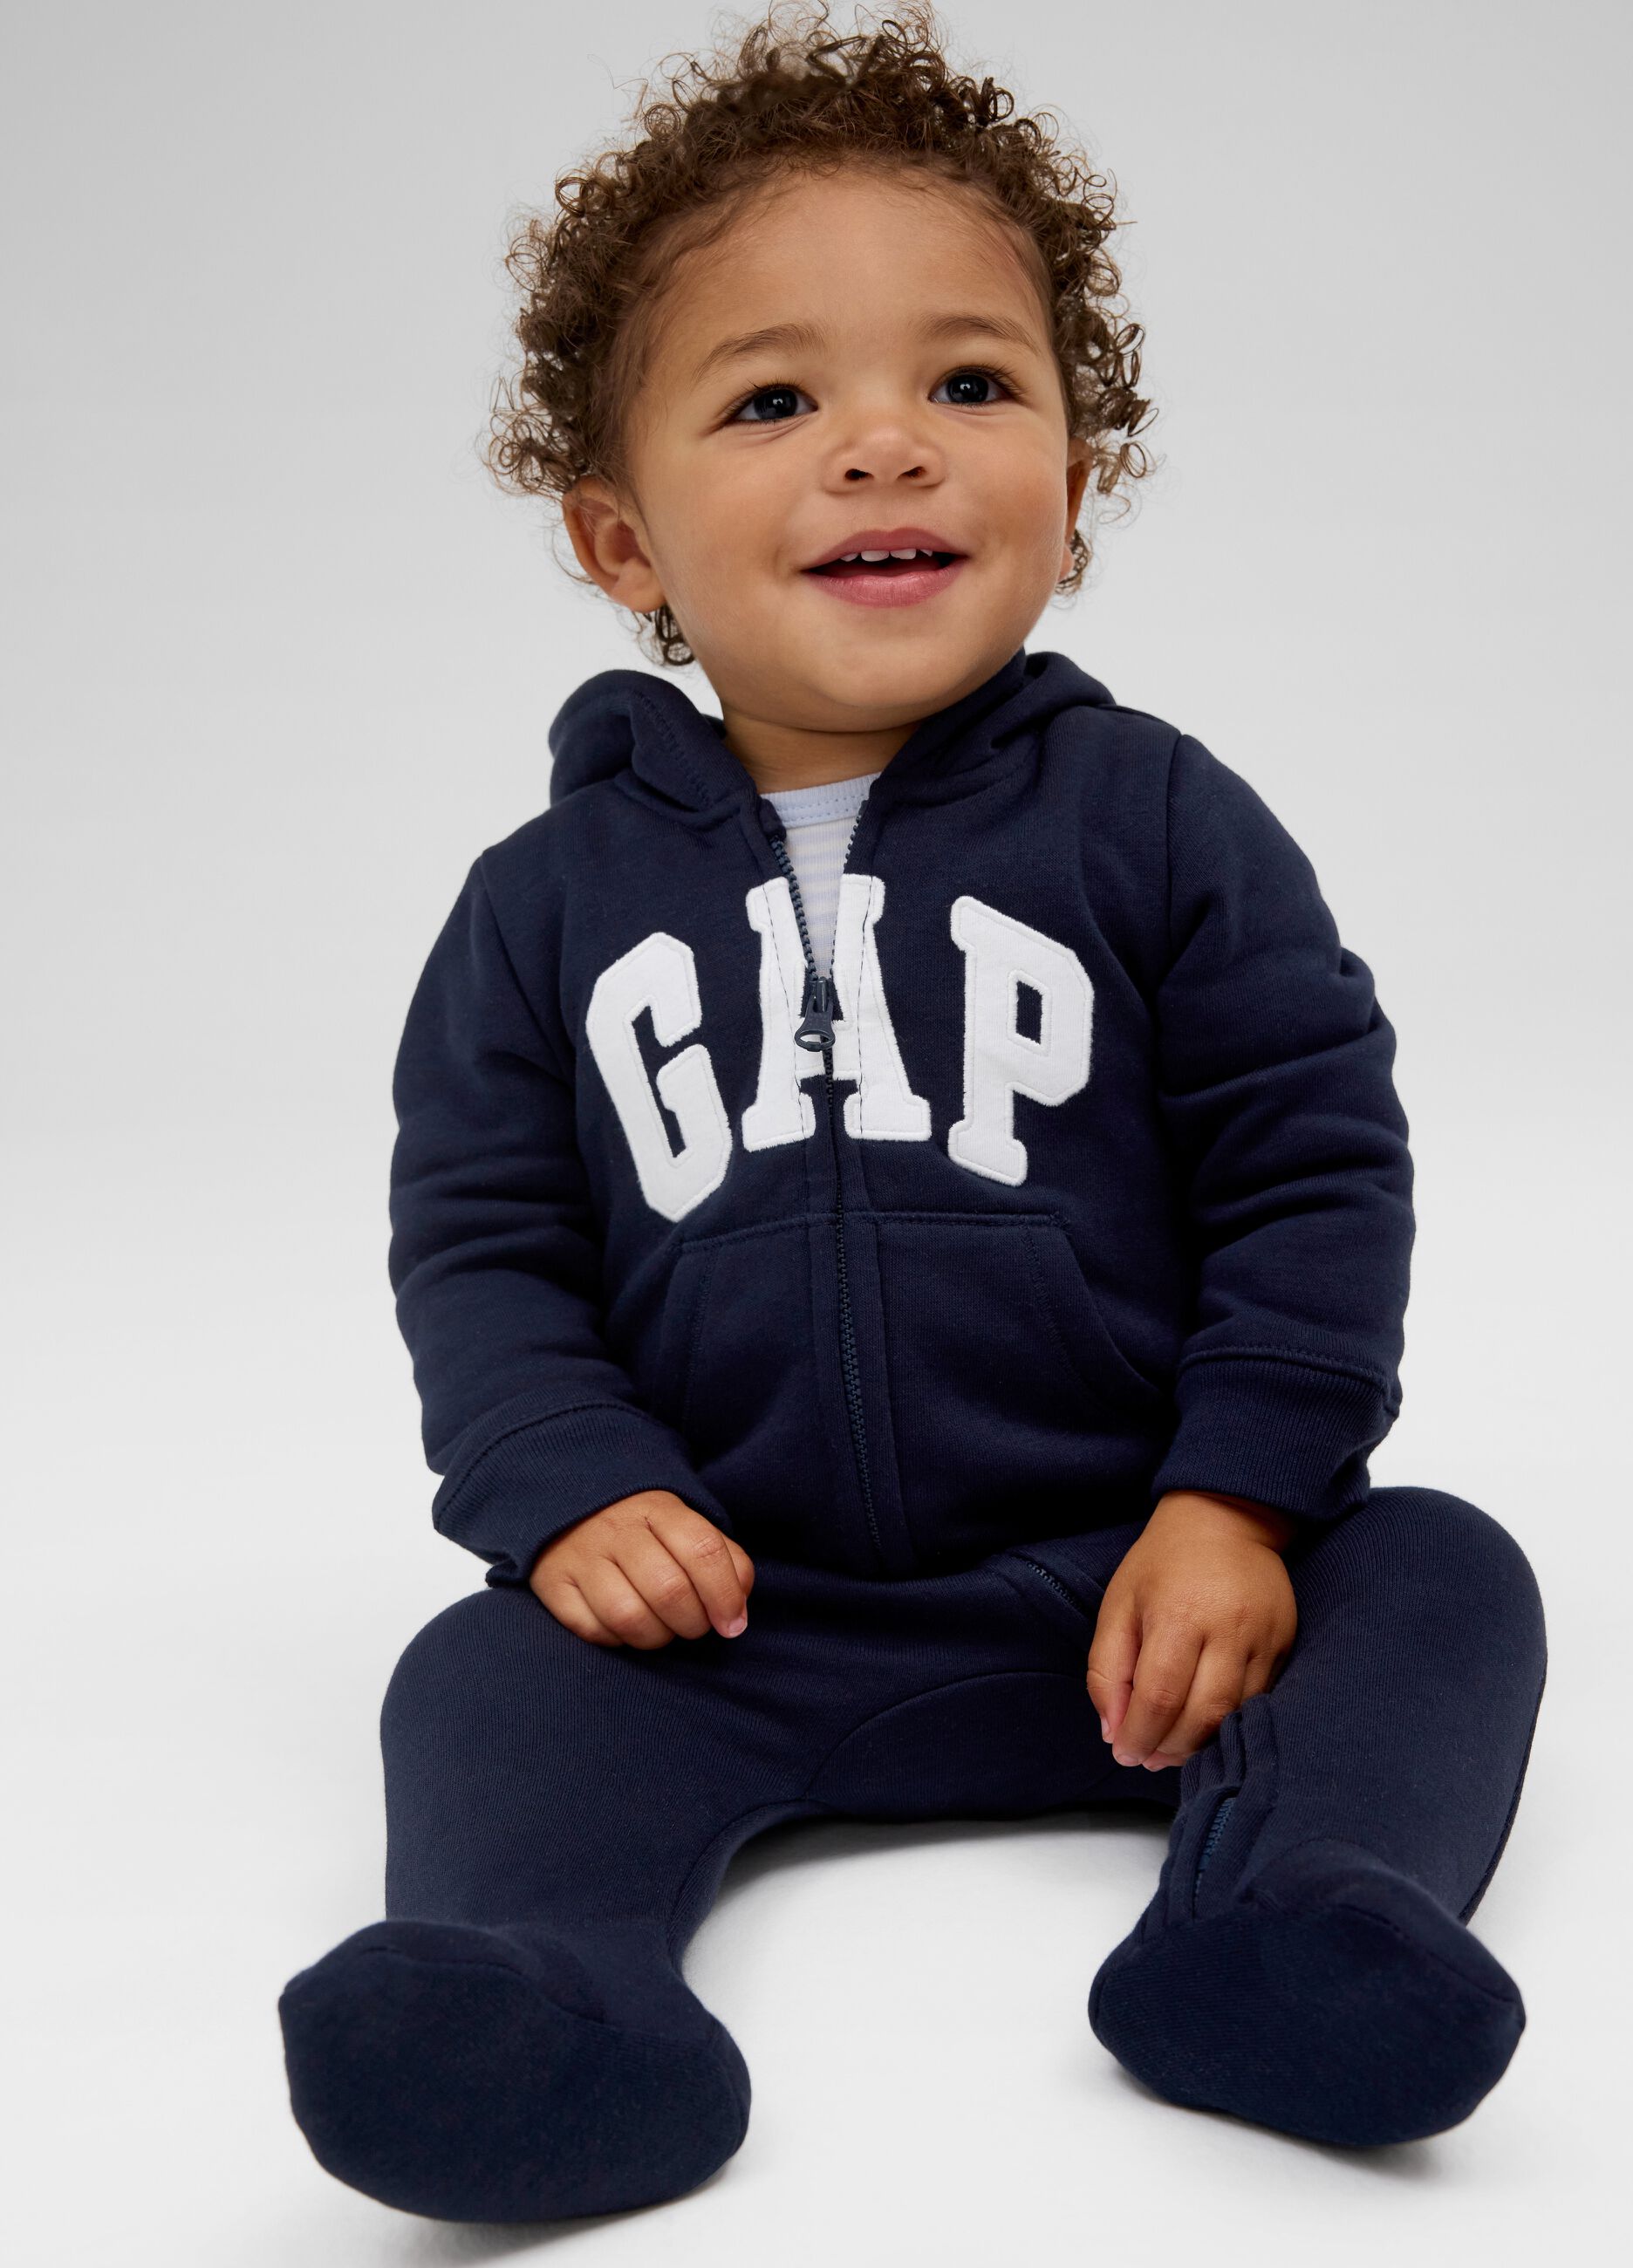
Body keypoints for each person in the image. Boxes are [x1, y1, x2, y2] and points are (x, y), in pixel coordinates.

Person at [277, 1, 1547, 2222]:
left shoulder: (1160, 820)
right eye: (775, 402)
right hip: (735, 1619)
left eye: (970, 384)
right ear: (621, 538)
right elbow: (481, 1238)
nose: (887, 447)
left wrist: (1238, 1500)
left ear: (1080, 474)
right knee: (476, 1674)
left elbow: (1314, 1163)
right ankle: (546, 1998)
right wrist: (572, 1488)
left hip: (1144, 1595)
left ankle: (1290, 1918)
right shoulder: (543, 904)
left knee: (1444, 1573)